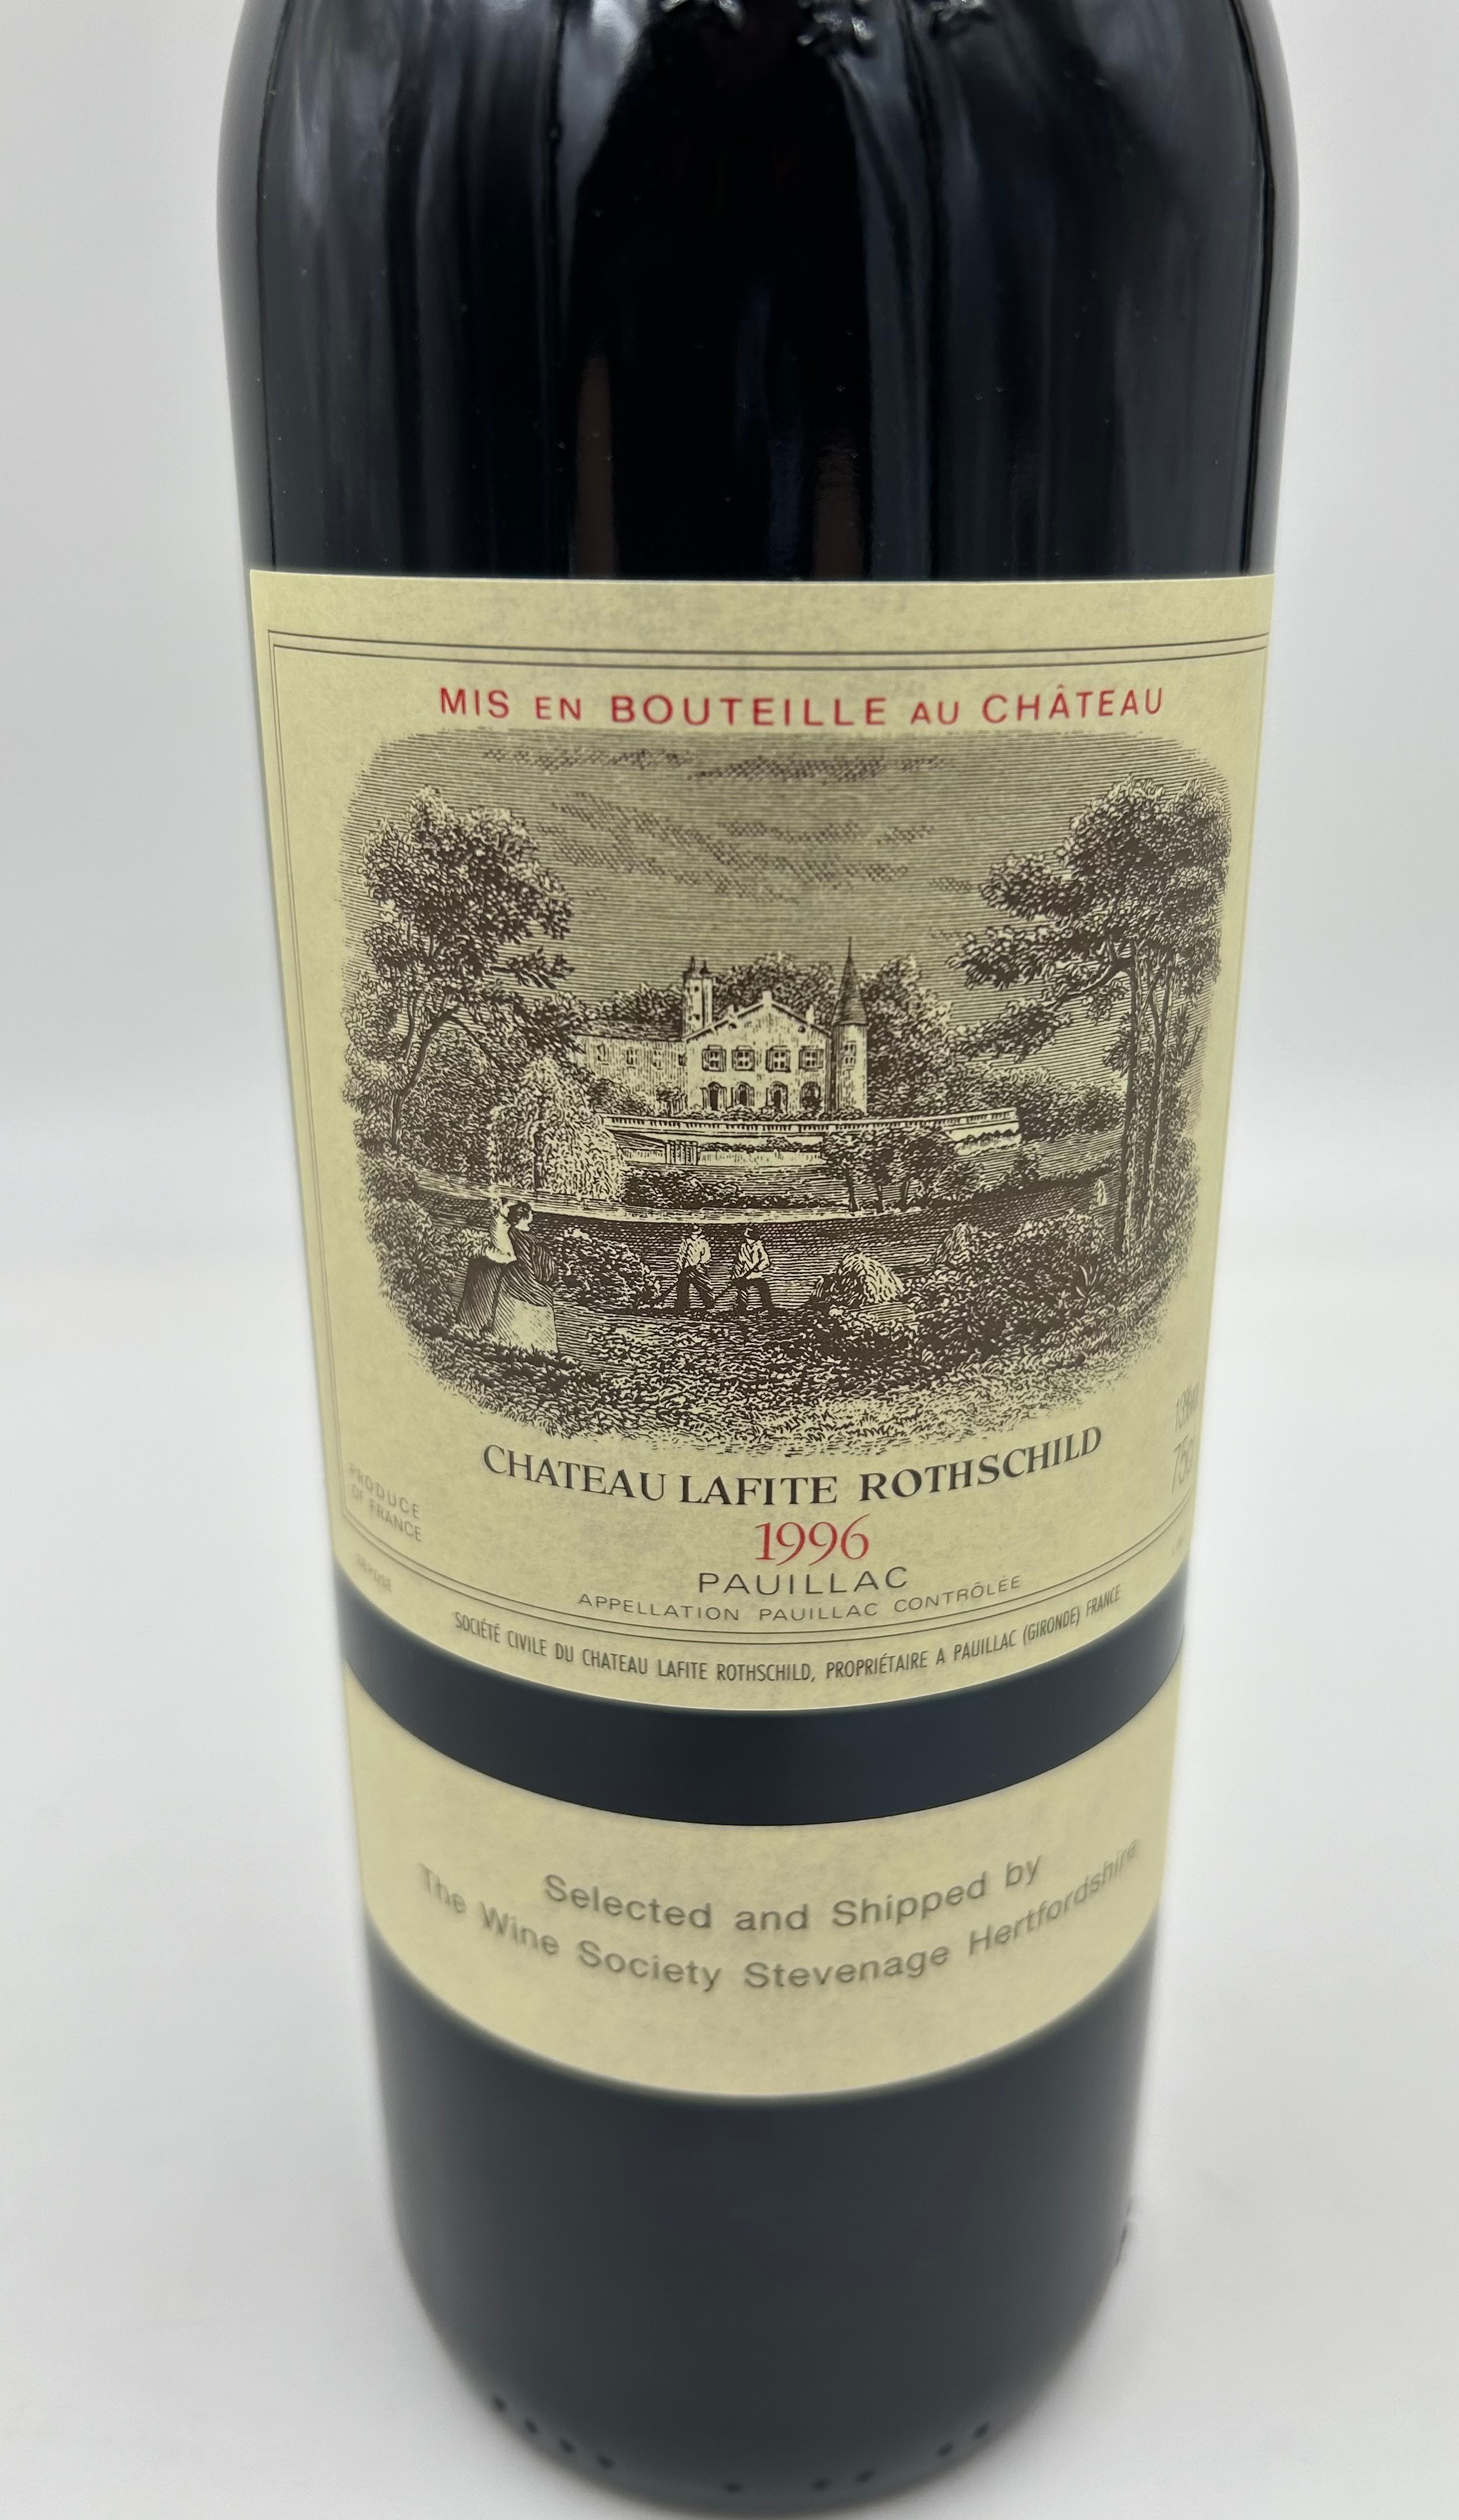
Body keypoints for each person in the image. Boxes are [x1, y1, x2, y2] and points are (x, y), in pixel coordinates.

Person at [492, 1202, 559, 1355]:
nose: (533, 1215)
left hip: (511, 1283)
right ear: (524, 1217)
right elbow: (544, 1268)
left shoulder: (510, 1233)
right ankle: (542, 1352)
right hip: (532, 1288)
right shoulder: (531, 1239)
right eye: (531, 1213)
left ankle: (506, 1345)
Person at [453, 1200, 514, 1339]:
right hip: (492, 1262)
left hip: (494, 1261)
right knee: (482, 1297)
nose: (509, 1211)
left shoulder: (501, 1223)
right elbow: (500, 1246)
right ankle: (472, 1326)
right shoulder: (498, 1223)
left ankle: (475, 1327)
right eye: (507, 1208)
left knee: (485, 1298)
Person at [725, 1228, 774, 1315]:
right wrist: (736, 1276)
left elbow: (766, 1262)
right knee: (742, 1289)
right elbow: (739, 1263)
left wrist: (757, 1269)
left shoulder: (759, 1247)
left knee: (763, 1287)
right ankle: (742, 1308)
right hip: (745, 1275)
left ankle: (768, 1308)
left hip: (756, 1275)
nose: (747, 1240)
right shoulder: (743, 1248)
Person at [674, 1223, 714, 1314]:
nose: (694, 1236)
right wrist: (680, 1268)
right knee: (682, 1287)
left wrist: (699, 1265)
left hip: (699, 1268)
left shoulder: (704, 1242)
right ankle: (682, 1306)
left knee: (705, 1286)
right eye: (692, 1233)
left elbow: (706, 1256)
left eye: (695, 1233)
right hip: (687, 1269)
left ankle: (709, 1304)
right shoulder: (686, 1242)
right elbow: (681, 1255)